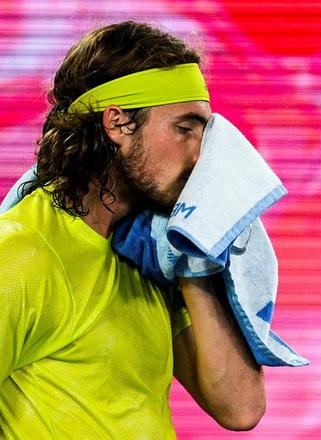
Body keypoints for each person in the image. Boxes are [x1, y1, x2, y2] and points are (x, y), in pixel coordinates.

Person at [0, 21, 265, 438]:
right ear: (118, 123)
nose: (202, 154)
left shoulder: (151, 254)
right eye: (185, 128)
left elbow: (241, 407)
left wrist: (193, 266)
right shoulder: (18, 254)